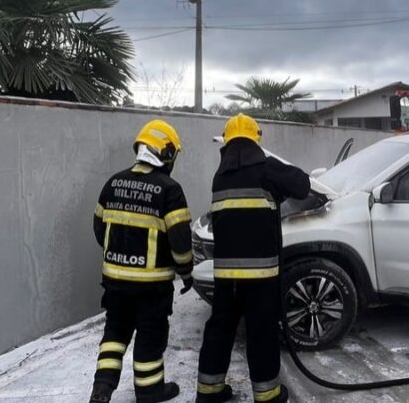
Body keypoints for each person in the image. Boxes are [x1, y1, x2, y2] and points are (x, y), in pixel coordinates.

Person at [196, 114, 310, 403]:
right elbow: (302, 185)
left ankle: (209, 391)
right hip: (261, 277)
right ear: (255, 140)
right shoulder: (266, 169)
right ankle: (268, 395)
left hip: (226, 277)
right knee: (261, 333)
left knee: (219, 330)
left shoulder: (220, 176)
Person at [89, 120, 194, 403]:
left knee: (114, 335)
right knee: (150, 337)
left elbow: (99, 229)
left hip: (114, 283)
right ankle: (150, 391)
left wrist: (119, 258)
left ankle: (101, 389)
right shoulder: (170, 189)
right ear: (166, 152)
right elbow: (181, 243)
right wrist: (186, 273)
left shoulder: (113, 183)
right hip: (152, 288)